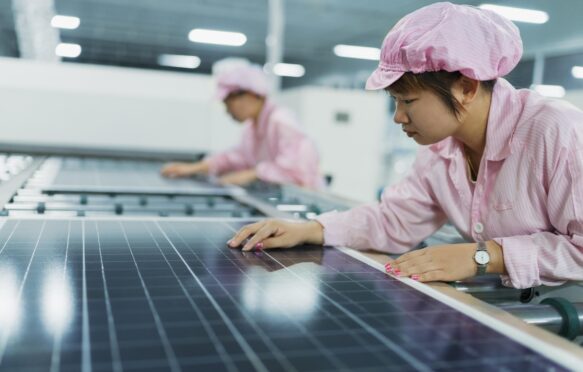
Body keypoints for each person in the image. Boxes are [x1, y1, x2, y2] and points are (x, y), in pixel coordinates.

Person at [226, 2, 583, 289]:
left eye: (407, 101)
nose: (398, 117)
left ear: (466, 87)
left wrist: (486, 256)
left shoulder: (555, 131)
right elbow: (395, 219)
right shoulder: (441, 147)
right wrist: (311, 229)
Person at [161, 64, 324, 189]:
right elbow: (236, 157)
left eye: (229, 103)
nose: (227, 111)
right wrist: (194, 168)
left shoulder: (281, 121)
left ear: (253, 94)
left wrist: (251, 174)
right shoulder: (252, 128)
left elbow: (297, 171)